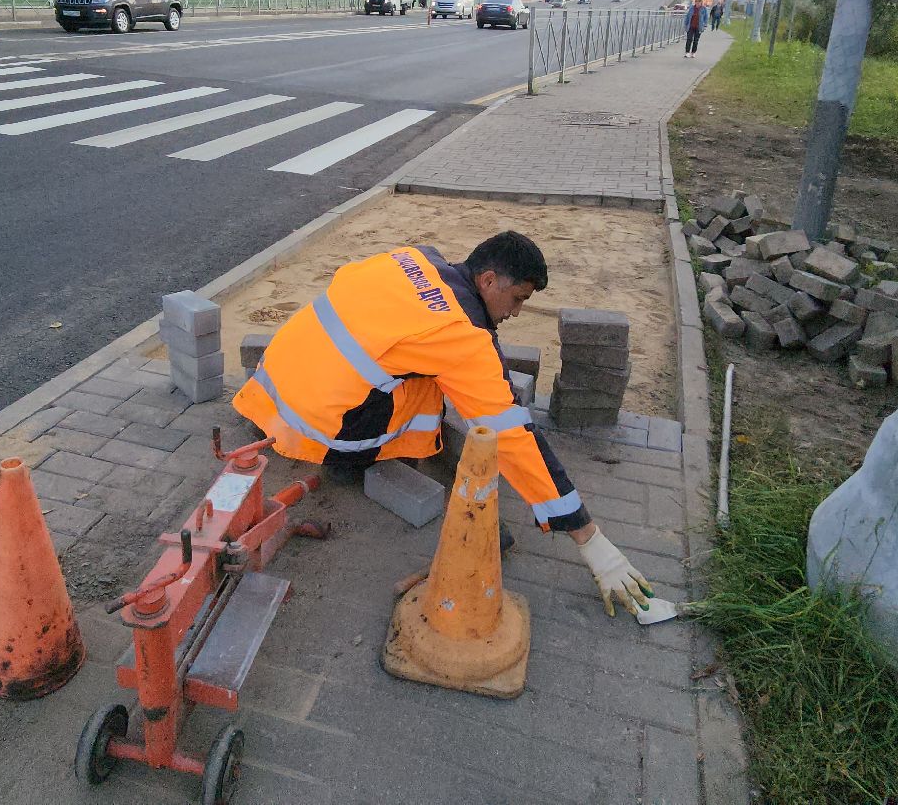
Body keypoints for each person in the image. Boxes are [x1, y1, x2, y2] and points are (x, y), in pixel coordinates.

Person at [232, 231, 660, 619]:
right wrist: (586, 535)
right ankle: (357, 458)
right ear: (489, 281)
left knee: (415, 366)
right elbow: (514, 435)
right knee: (436, 389)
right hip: (316, 427)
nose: (516, 313)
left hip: (272, 389)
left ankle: (364, 435)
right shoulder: (463, 337)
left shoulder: (413, 257)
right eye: (518, 299)